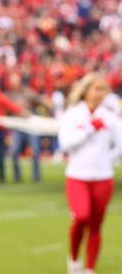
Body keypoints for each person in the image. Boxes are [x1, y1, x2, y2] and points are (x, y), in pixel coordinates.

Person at [58, 73, 122, 274]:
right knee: (82, 216)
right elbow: (65, 144)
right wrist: (88, 130)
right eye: (96, 89)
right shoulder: (73, 114)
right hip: (77, 176)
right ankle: (74, 258)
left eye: (103, 90)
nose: (100, 94)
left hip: (103, 177)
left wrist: (106, 159)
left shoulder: (111, 116)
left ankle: (90, 268)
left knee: (96, 224)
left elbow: (119, 145)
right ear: (86, 90)